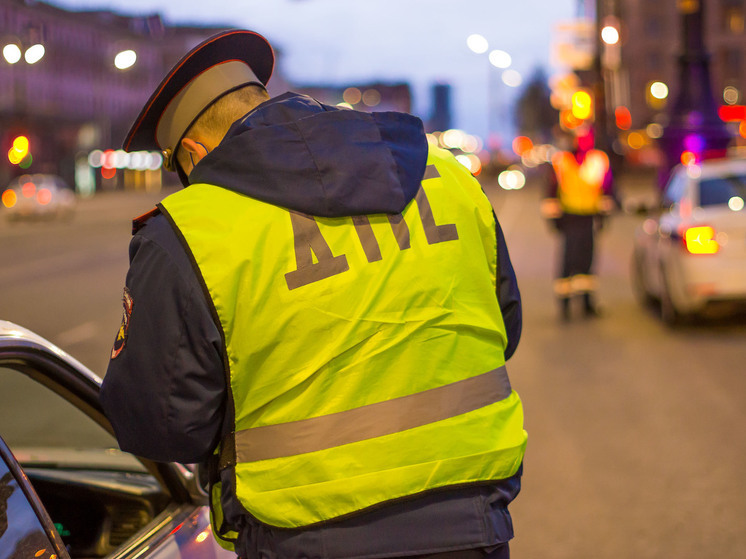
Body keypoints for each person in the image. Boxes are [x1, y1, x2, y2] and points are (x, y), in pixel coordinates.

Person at [100, 30, 526, 559]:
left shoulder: (190, 231)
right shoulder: (447, 178)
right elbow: (503, 329)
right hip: (473, 525)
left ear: (192, 151)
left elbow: (160, 425)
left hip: (305, 539)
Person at [541, 128, 615, 321]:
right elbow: (551, 192)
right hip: (569, 218)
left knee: (587, 260)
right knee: (568, 260)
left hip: (589, 217)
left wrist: (603, 217)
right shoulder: (561, 161)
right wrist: (555, 221)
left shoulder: (598, 160)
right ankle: (564, 305)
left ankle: (586, 302)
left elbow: (607, 190)